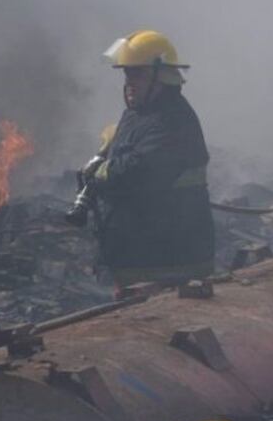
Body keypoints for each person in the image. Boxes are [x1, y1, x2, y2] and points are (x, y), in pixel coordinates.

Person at [86, 29, 214, 290]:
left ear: (161, 76)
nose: (129, 81)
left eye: (137, 73)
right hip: (137, 256)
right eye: (126, 73)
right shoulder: (139, 113)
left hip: (168, 263)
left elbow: (136, 173)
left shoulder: (172, 121)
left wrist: (101, 171)